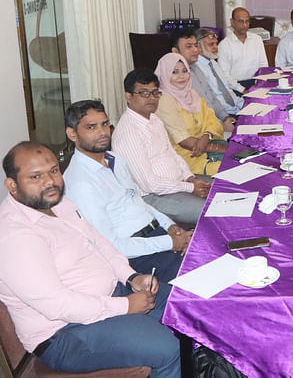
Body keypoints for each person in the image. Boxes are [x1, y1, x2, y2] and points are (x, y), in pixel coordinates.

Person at [0, 141, 180, 377]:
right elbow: (58, 305)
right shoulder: (14, 236)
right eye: (36, 177)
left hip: (109, 296)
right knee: (166, 347)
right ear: (12, 185)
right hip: (64, 332)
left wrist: (131, 277)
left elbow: (101, 244)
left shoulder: (60, 203)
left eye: (54, 171)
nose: (50, 182)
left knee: (184, 307)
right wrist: (125, 306)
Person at [63, 100, 191, 284]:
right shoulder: (81, 183)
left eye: (105, 124)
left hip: (158, 235)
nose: (102, 132)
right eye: (91, 127)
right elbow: (110, 246)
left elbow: (138, 201)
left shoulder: (114, 159)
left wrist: (170, 226)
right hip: (136, 256)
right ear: (72, 134)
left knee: (211, 245)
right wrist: (170, 242)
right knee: (201, 271)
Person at [112, 68, 209, 224]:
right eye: (144, 93)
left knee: (225, 188)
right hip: (154, 197)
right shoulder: (128, 133)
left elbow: (173, 154)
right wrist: (190, 187)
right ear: (128, 96)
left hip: (179, 185)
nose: (151, 98)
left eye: (155, 93)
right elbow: (149, 185)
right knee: (213, 211)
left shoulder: (154, 120)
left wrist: (190, 177)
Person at [154, 53, 225, 176]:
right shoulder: (164, 100)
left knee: (248, 157)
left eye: (184, 71)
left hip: (207, 148)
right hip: (187, 159)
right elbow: (184, 141)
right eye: (174, 72)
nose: (181, 76)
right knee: (236, 167)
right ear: (164, 75)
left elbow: (211, 119)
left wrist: (206, 136)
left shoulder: (191, 93)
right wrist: (223, 149)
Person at [171, 28, 240, 130]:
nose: (195, 50)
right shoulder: (176, 77)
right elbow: (194, 115)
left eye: (195, 45)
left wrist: (225, 118)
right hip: (202, 130)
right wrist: (221, 126)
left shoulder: (195, 68)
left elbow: (212, 98)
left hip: (217, 120)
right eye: (189, 46)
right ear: (175, 51)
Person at [217, 6, 268, 86]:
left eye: (247, 21)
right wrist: (241, 89)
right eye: (241, 21)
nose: (244, 25)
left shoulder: (257, 40)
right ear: (232, 22)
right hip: (234, 85)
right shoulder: (224, 45)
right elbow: (224, 75)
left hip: (255, 82)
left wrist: (258, 85)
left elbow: (263, 66)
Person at [196, 28, 246, 95]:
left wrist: (241, 102)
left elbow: (227, 88)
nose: (216, 47)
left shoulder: (213, 63)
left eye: (216, 43)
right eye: (211, 44)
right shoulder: (196, 69)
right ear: (199, 47)